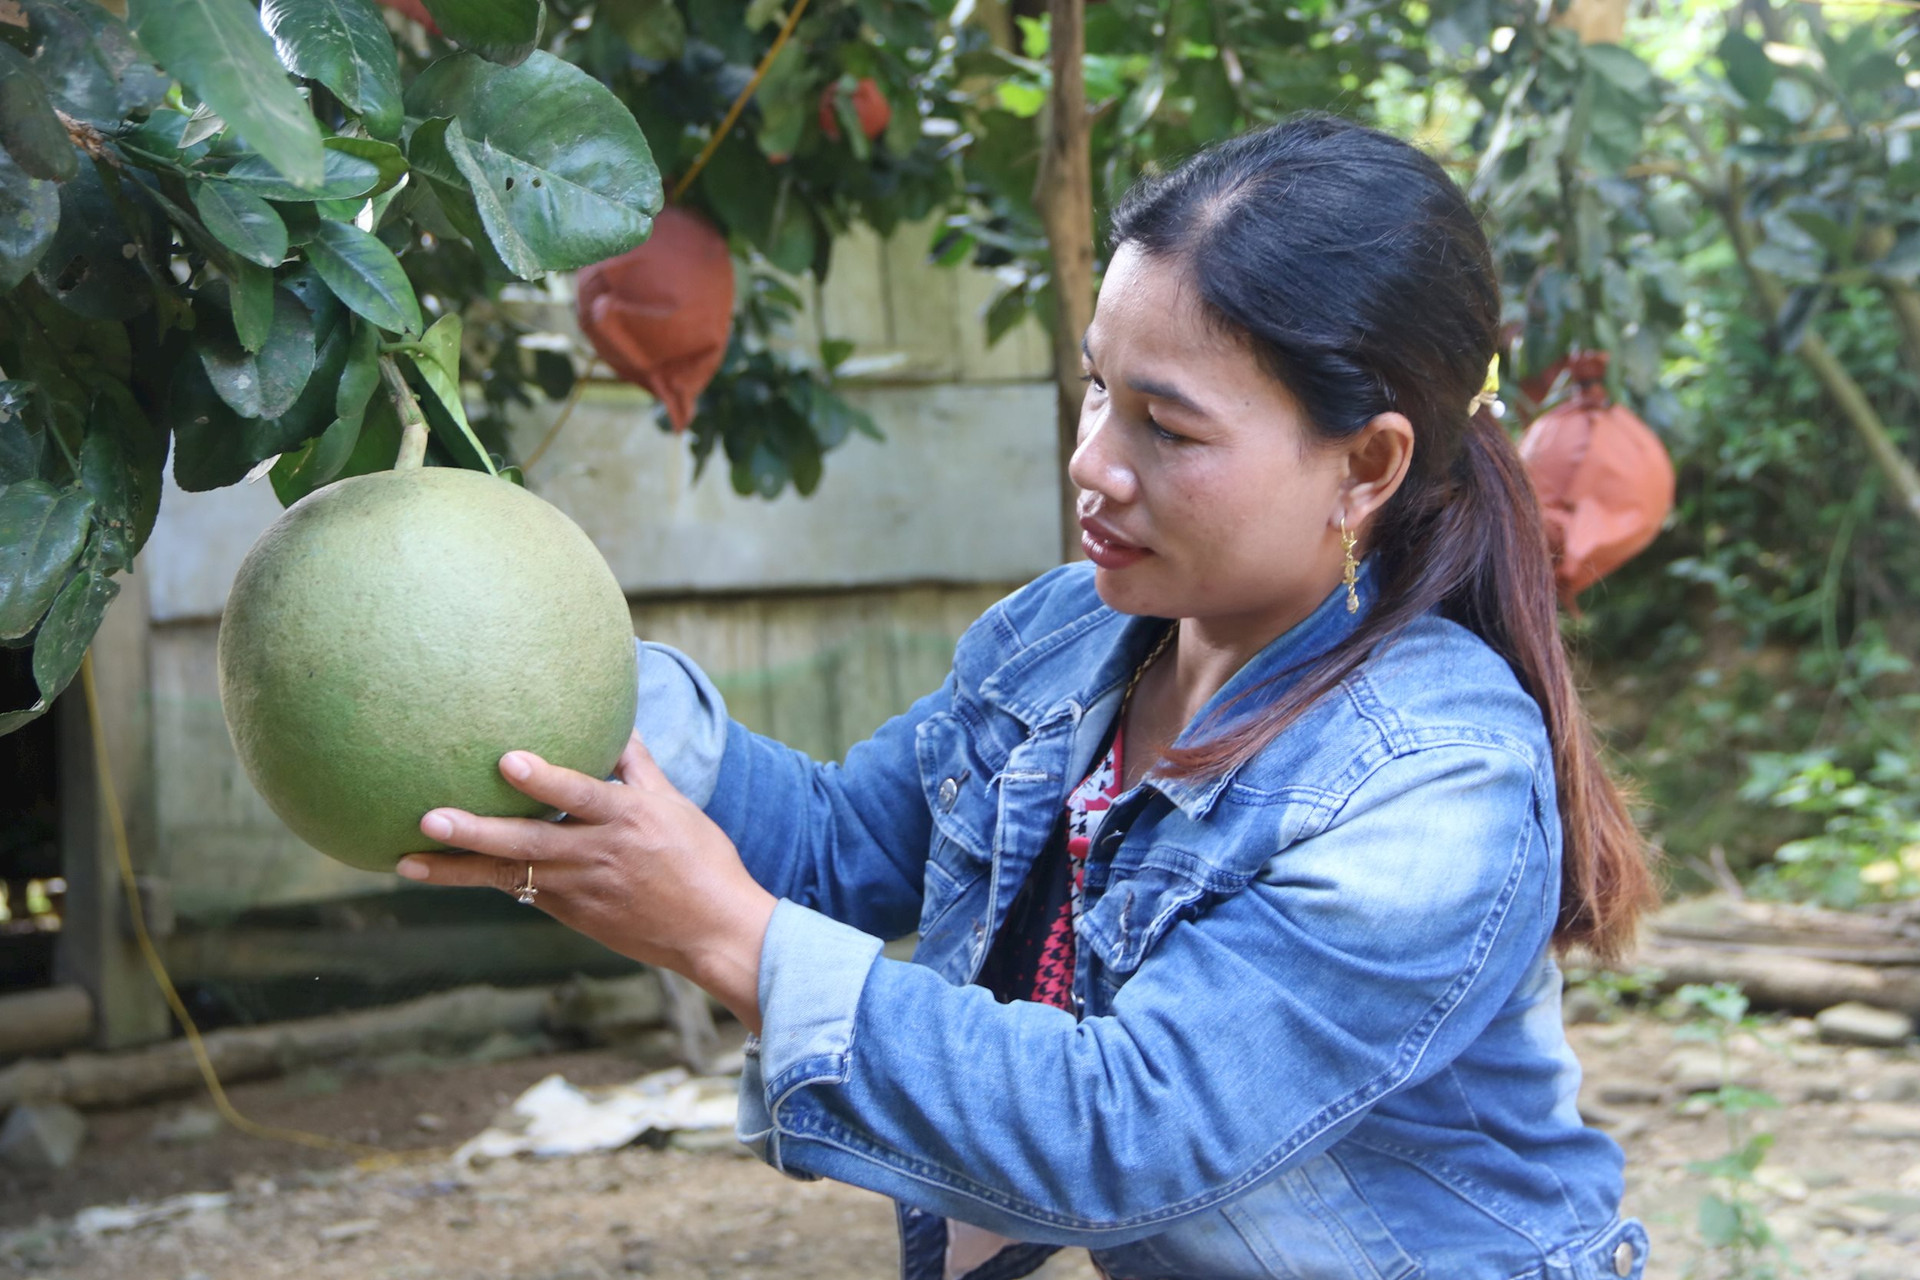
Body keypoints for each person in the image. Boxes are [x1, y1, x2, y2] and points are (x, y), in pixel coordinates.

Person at [396, 115, 1662, 1280]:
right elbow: (837, 846)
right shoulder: (1067, 634)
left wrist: (730, 935)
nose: (1093, 460)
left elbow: (1128, 1128)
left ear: (1367, 462)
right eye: (1100, 384)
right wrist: (561, 686)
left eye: (1168, 425)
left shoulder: (1437, 777)